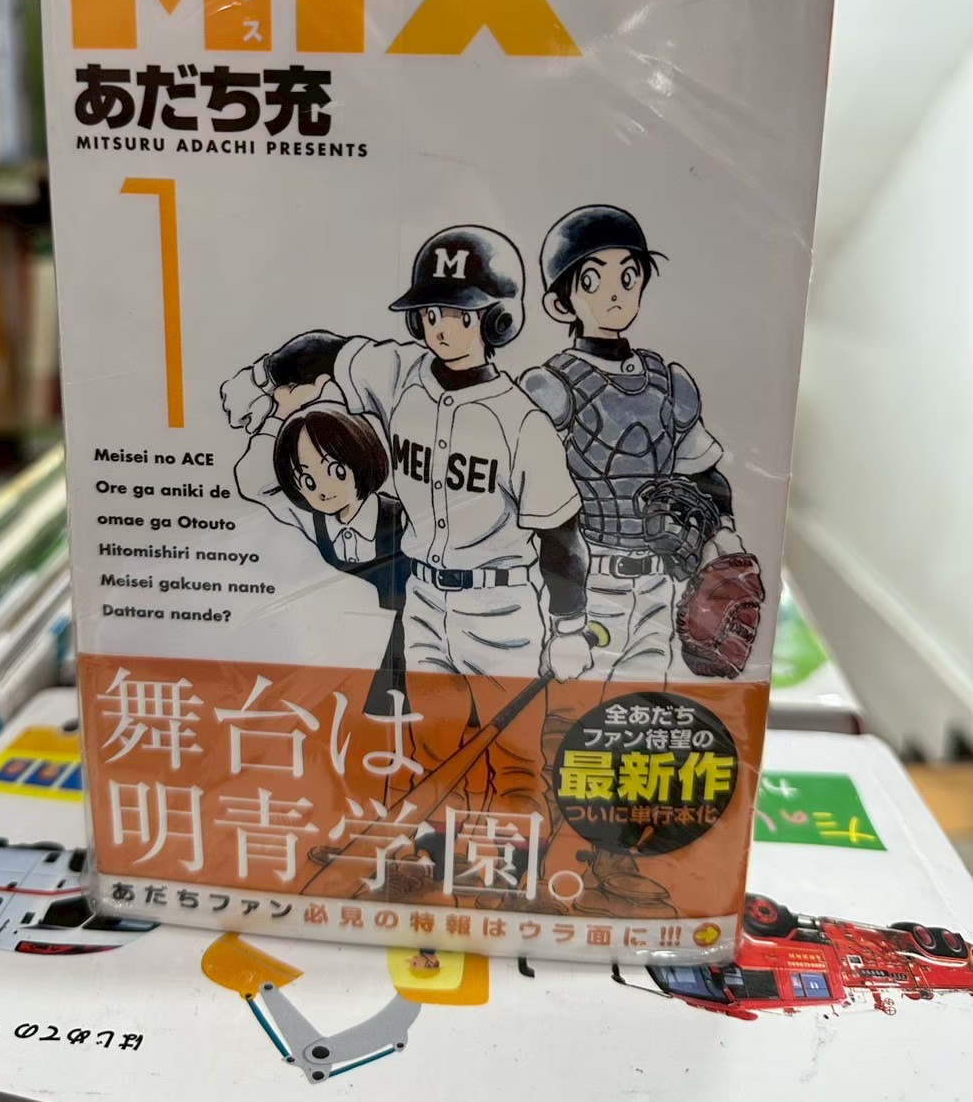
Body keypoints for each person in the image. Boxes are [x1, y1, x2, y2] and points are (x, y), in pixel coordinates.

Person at [232, 224, 593, 901]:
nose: (441, 327)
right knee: (432, 747)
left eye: (460, 312)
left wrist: (569, 626)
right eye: (430, 312)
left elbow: (561, 534)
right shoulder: (396, 373)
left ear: (497, 318)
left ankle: (509, 880)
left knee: (514, 756)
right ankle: (441, 872)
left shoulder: (521, 421)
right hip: (426, 599)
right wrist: (265, 378)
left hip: (501, 604)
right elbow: (322, 350)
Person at [520, 204, 760, 681]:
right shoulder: (551, 388)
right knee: (567, 710)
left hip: (658, 579)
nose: (615, 292)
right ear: (561, 304)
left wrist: (722, 531)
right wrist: (566, 624)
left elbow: (703, 471)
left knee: (640, 699)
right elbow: (545, 509)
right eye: (593, 280)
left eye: (628, 277)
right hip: (584, 580)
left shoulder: (668, 383)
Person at [233, 398, 409, 718]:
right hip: (338, 659)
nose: (323, 490)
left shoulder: (402, 518)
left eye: (336, 471)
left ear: (361, 458)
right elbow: (252, 483)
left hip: (401, 656)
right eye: (308, 480)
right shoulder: (313, 522)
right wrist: (281, 413)